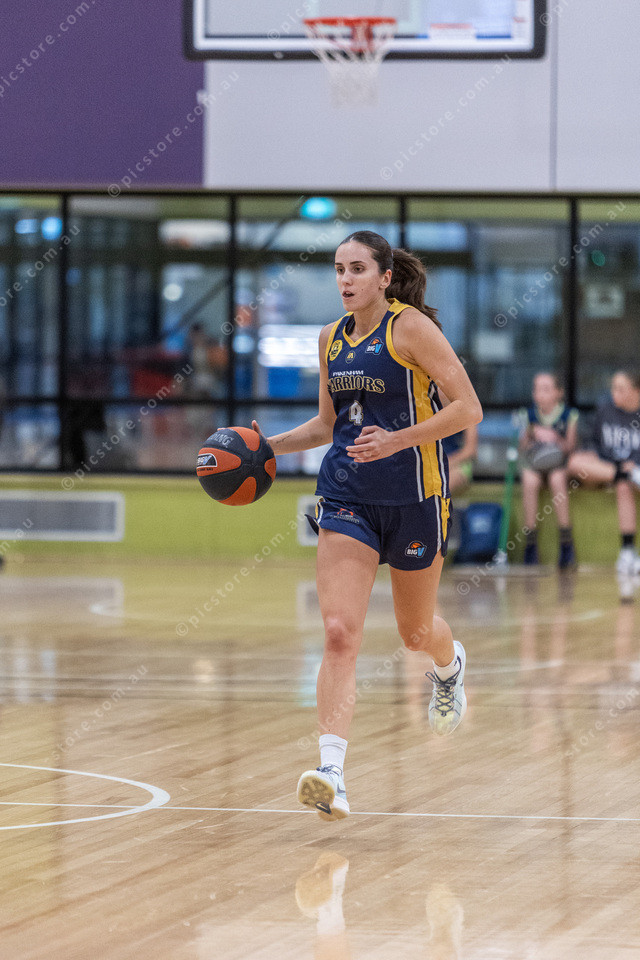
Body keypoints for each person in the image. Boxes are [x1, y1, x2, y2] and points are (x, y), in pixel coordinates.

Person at [253, 231, 482, 822]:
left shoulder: (411, 329)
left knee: (415, 633)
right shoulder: (329, 337)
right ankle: (331, 774)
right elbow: (327, 425)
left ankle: (449, 665)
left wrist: (398, 440)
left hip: (414, 498)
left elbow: (468, 408)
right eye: (338, 269)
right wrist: (263, 447)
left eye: (357, 269)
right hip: (347, 496)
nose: (345, 280)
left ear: (384, 277)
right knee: (338, 632)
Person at [568, 370, 640, 575]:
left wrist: (635, 464)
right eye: (613, 388)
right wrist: (591, 452)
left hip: (634, 470)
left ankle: (627, 551)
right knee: (575, 462)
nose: (614, 392)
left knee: (624, 484)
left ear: (636, 391)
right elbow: (593, 442)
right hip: (607, 470)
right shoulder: (605, 410)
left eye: (621, 388)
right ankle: (624, 474)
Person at [518, 372, 579, 568]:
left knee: (557, 480)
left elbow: (571, 447)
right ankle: (530, 544)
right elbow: (522, 447)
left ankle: (566, 543)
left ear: (558, 393)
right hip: (535, 464)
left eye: (546, 389)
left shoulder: (569, 415)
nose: (540, 394)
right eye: (536, 389)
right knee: (529, 480)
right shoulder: (528, 415)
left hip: (559, 464)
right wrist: (531, 435)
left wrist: (554, 438)